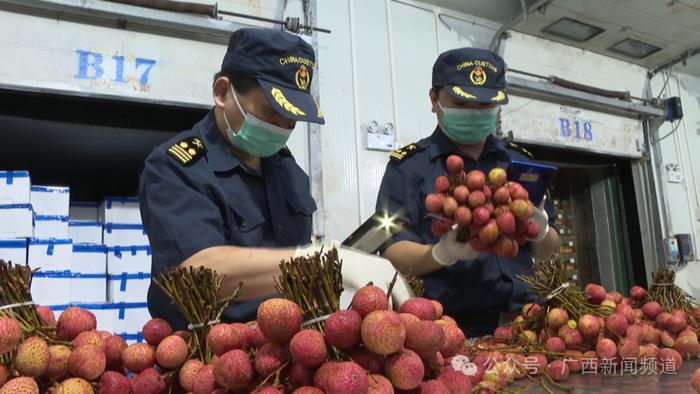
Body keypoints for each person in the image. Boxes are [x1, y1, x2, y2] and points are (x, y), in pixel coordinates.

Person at [140, 28, 411, 330]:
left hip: (289, 348)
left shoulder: (288, 171)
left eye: (291, 119)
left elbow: (291, 253)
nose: (282, 129)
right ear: (222, 92)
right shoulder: (175, 167)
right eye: (271, 113)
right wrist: (312, 261)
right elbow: (197, 271)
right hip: (206, 355)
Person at [376, 48, 561, 337]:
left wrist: (539, 230)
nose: (475, 113)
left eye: (486, 104)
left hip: (525, 324)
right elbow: (391, 250)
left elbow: (549, 248)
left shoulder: (520, 164)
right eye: (461, 102)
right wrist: (440, 254)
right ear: (434, 100)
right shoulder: (407, 168)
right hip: (444, 331)